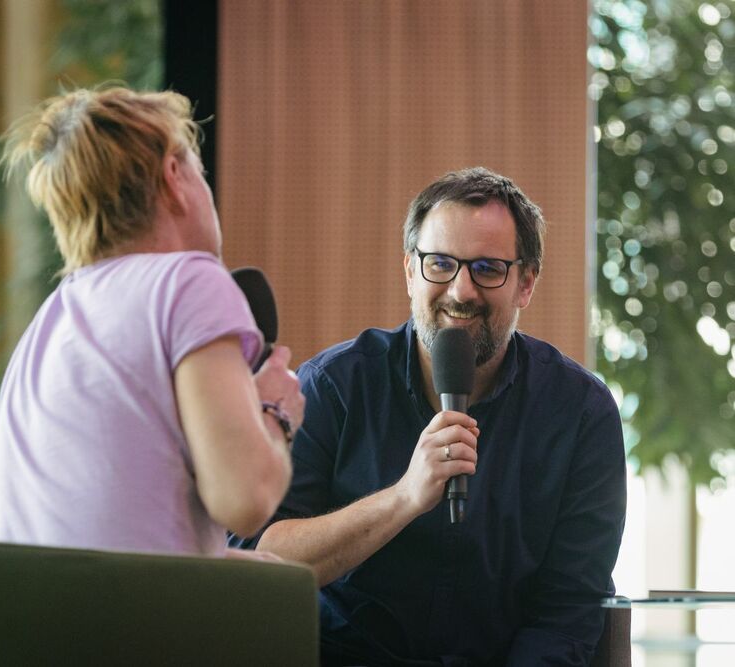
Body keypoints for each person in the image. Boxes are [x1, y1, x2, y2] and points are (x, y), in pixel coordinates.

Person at [231, 167, 627, 665]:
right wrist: (403, 498)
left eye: (487, 268)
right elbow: (255, 561)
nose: (460, 291)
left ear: (526, 283)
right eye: (440, 264)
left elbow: (567, 613)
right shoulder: (335, 386)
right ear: (409, 271)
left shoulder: (581, 414)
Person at [0, 86, 303, 557]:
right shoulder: (189, 279)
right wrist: (275, 412)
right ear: (174, 176)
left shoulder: (46, 322)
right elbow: (244, 500)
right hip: (136, 626)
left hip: (25, 623)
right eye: (201, 171)